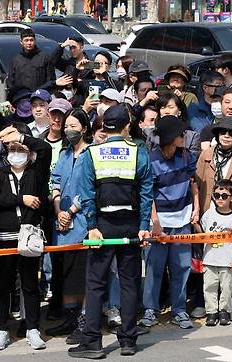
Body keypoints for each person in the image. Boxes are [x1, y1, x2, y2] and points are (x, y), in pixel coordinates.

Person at [69, 105, 153, 358]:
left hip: (102, 224)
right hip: (130, 223)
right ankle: (128, 341)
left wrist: (92, 226)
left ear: (104, 126)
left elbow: (86, 193)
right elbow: (146, 192)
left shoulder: (92, 152)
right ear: (127, 126)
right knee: (129, 283)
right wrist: (144, 226)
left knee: (95, 284)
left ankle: (93, 342)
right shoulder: (139, 151)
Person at [0, 127, 51, 351]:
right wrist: (20, 199)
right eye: (12, 149)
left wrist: (22, 137)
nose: (16, 152)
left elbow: (46, 148)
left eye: (21, 149)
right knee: (2, 285)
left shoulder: (36, 172)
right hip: (3, 236)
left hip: (29, 236)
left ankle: (32, 328)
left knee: (30, 284)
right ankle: (1, 330)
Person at [139, 115, 197, 330]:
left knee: (181, 267)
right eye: (180, 134)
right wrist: (154, 220)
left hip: (183, 219)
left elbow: (193, 183)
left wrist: (197, 208)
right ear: (171, 137)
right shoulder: (151, 160)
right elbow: (148, 193)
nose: (184, 136)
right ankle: (150, 310)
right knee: (154, 267)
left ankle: (179, 310)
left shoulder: (187, 156)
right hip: (159, 222)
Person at [195, 117, 232, 323]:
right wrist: (197, 212)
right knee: (206, 260)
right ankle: (205, 305)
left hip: (231, 216)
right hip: (207, 213)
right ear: (217, 134)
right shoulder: (206, 155)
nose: (227, 136)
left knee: (231, 262)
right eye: (223, 132)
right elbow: (196, 184)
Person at [45, 108, 92, 340]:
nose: (69, 130)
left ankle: (83, 323)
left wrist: (71, 211)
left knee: (80, 276)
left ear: (84, 128)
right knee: (64, 275)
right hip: (61, 224)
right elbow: (55, 182)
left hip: (82, 223)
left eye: (74, 126)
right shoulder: (64, 154)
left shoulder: (91, 154)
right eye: (67, 126)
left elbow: (90, 189)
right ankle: (70, 319)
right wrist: (58, 211)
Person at [196, 179, 232, 327]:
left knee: (227, 287)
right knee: (209, 286)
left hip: (226, 260)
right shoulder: (209, 214)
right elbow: (203, 233)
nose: (220, 199)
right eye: (217, 195)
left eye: (224, 196)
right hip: (210, 258)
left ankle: (224, 311)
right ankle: (211, 312)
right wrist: (195, 225)